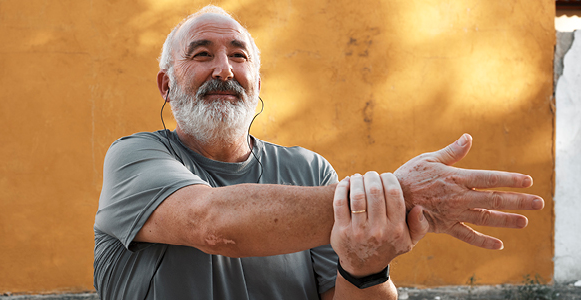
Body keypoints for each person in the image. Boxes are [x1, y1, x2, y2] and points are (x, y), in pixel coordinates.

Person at [93, 5, 544, 300]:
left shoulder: (309, 170)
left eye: (239, 56)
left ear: (257, 83)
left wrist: (365, 265)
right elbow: (213, 224)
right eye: (201, 54)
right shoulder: (134, 158)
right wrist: (400, 194)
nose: (224, 69)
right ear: (166, 85)